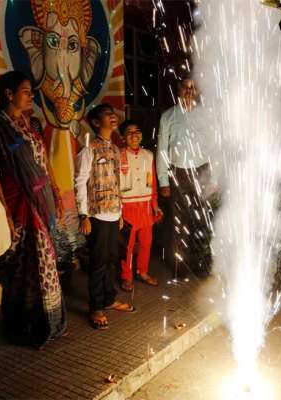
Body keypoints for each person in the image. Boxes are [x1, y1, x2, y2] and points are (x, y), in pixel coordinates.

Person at [0, 71, 66, 347]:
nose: (31, 96)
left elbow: (44, 160)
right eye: (26, 91)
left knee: (45, 264)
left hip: (41, 200)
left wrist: (55, 191)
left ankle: (48, 322)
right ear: (8, 94)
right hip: (16, 203)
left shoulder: (32, 123)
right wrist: (4, 212)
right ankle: (22, 325)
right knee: (21, 267)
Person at [75, 104, 135, 330]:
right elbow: (80, 181)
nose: (113, 117)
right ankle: (96, 306)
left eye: (113, 113)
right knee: (99, 262)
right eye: (107, 115)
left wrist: (119, 211)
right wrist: (84, 215)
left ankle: (108, 299)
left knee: (111, 259)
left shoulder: (115, 149)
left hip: (113, 213)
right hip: (97, 215)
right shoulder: (89, 150)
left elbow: (116, 182)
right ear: (96, 122)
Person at [156, 76, 215, 277]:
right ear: (178, 90)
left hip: (201, 172)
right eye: (185, 87)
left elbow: (214, 148)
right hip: (178, 173)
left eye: (193, 88)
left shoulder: (206, 115)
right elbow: (163, 149)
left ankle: (202, 264)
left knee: (202, 221)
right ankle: (180, 267)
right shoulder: (168, 116)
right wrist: (163, 180)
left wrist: (213, 177)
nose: (189, 91)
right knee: (178, 222)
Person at [118, 120, 163, 292]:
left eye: (137, 131)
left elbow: (151, 181)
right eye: (129, 132)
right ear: (123, 137)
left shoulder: (148, 155)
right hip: (126, 206)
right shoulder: (118, 154)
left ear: (141, 135)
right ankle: (126, 276)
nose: (134, 134)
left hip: (145, 206)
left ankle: (142, 271)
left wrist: (155, 204)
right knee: (127, 245)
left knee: (146, 242)